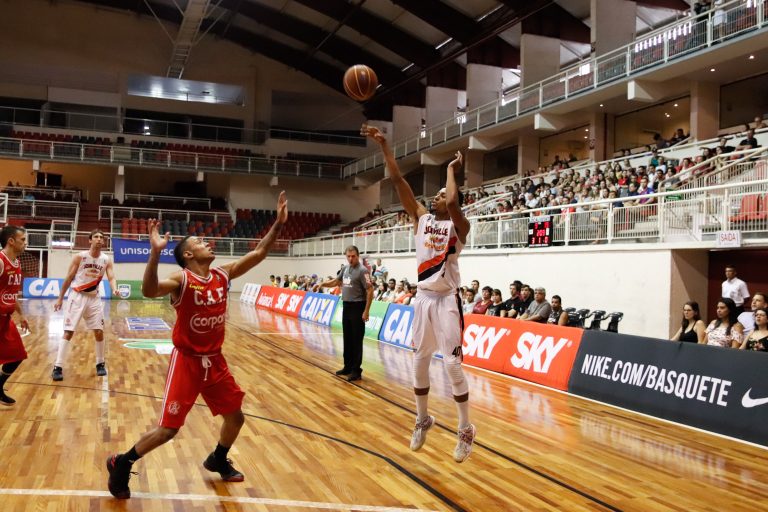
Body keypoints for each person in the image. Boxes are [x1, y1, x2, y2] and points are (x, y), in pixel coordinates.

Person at [106, 192, 287, 500]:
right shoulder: (182, 279)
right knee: (168, 430)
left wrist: (279, 224)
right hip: (187, 361)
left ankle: (218, 458)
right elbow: (149, 291)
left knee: (236, 417)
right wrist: (154, 253)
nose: (208, 243)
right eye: (201, 242)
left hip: (214, 361)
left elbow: (258, 253)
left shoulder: (222, 274)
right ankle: (122, 462)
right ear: (188, 254)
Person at [365, 124, 476, 463]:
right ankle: (422, 418)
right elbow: (398, 180)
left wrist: (450, 170)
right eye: (437, 195)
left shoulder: (459, 226)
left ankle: (465, 428)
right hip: (423, 298)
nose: (437, 197)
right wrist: (384, 146)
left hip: (447, 300)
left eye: (441, 194)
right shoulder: (422, 219)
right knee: (419, 362)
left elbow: (454, 199)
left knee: (453, 366)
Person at [52, 229, 118, 381]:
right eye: (96, 237)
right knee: (68, 332)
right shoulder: (80, 257)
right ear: (90, 240)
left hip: (94, 298)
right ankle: (57, 366)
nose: (99, 239)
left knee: (99, 331)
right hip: (77, 296)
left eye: (101, 237)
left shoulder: (106, 259)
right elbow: (69, 278)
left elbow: (111, 277)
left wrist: (114, 288)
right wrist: (60, 298)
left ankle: (100, 363)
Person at [315, 245, 373, 382]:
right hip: (346, 306)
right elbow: (336, 281)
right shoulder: (345, 268)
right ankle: (347, 366)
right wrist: (322, 284)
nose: (351, 259)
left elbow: (370, 290)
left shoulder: (363, 271)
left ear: (358, 256)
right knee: (347, 338)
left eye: (353, 256)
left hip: (358, 306)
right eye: (348, 256)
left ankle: (356, 371)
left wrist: (366, 311)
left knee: (356, 340)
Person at [0, 225, 30, 405]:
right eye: (23, 240)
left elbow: (12, 293)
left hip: (6, 318)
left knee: (18, 355)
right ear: (11, 241)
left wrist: (22, 315)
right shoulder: (1, 261)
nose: (26, 243)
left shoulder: (17, 263)